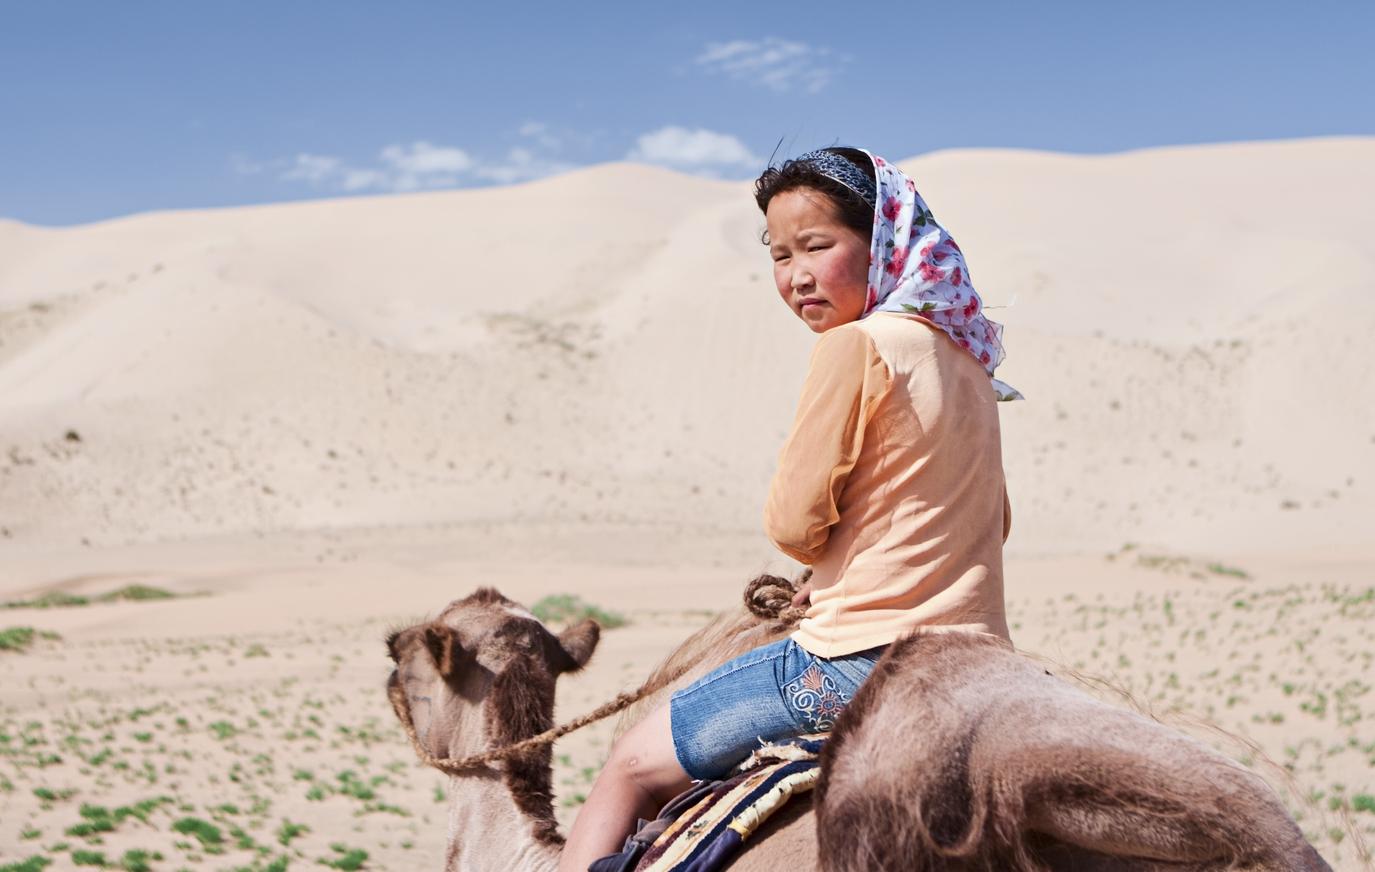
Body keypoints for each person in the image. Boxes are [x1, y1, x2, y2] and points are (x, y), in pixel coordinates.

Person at [558, 146, 1020, 872]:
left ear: (882, 244)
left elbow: (793, 522)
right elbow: (993, 523)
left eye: (817, 245)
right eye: (779, 256)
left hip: (861, 662)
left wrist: (818, 558)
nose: (797, 274)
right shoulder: (968, 360)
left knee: (629, 768)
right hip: (983, 661)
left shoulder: (856, 346)